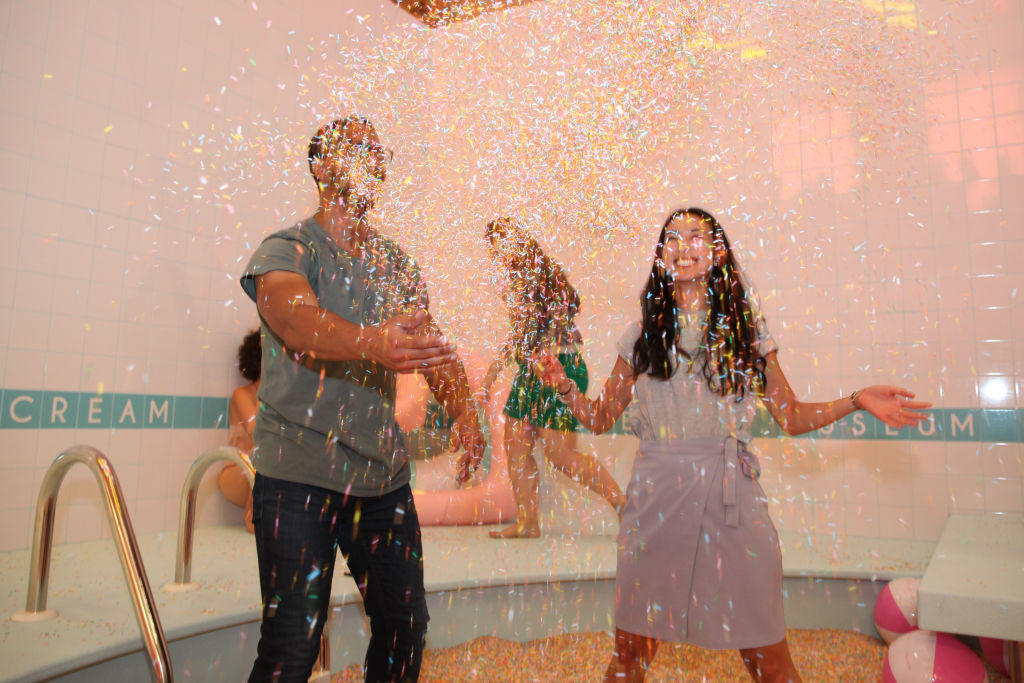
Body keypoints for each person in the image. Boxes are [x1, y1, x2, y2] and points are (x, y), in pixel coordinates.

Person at [533, 207, 931, 683]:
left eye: (695, 236)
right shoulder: (641, 336)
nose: (683, 246)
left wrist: (856, 400)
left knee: (769, 659)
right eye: (672, 238)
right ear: (661, 257)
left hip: (732, 503)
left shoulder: (746, 332)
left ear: (717, 251)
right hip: (655, 504)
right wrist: (564, 388)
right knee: (629, 657)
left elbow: (791, 416)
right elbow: (599, 419)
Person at [240, 115, 485, 683]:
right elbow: (292, 318)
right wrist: (371, 342)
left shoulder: (396, 263)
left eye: (379, 153)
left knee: (406, 630)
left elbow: (432, 349)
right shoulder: (288, 247)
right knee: (291, 646)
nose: (372, 160)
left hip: (382, 483)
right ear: (322, 167)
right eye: (357, 149)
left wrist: (468, 417)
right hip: (298, 477)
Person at [479, 217, 625, 539]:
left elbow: (562, 315)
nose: (499, 251)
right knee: (515, 445)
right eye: (494, 245)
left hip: (558, 367)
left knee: (560, 455)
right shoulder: (516, 280)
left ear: (520, 240)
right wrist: (491, 374)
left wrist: (545, 356)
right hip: (532, 370)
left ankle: (624, 506)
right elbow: (520, 335)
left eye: (503, 241)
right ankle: (527, 522)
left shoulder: (541, 273)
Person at [218, 328, 260, 532]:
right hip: (237, 471)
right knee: (266, 451)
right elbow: (256, 433)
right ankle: (252, 517)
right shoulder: (241, 394)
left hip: (257, 471)